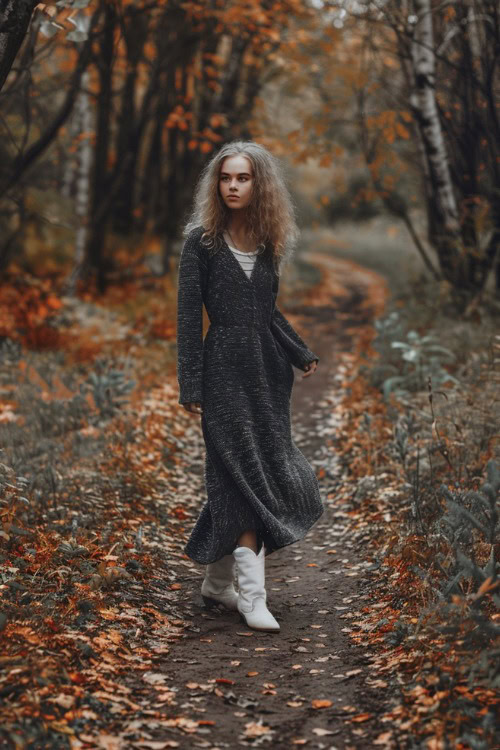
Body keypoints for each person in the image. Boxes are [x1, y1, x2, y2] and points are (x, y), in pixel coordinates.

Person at [176, 140, 323, 632]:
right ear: (216, 185)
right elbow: (186, 319)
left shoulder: (266, 242)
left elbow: (268, 313)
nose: (233, 186)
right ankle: (252, 595)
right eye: (226, 178)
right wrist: (190, 383)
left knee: (251, 471)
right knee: (242, 471)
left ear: (259, 184)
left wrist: (300, 352)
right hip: (222, 372)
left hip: (268, 375)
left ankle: (217, 584)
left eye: (243, 178)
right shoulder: (201, 242)